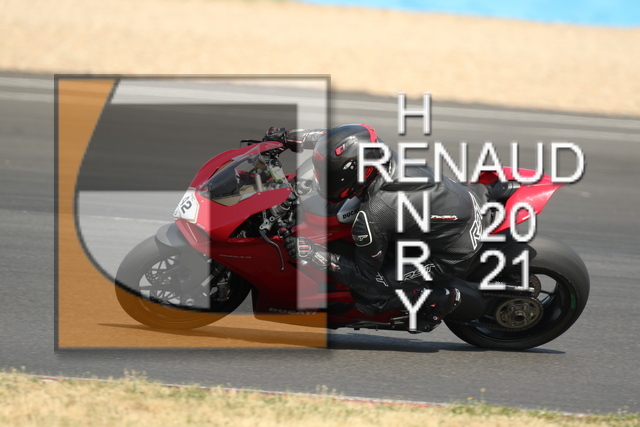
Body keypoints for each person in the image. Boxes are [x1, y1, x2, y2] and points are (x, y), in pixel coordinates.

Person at [264, 125, 490, 331]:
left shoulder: (375, 213)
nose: (319, 177)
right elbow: (331, 141)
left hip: (452, 251)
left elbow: (363, 276)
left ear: (350, 174)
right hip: (454, 206)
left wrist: (311, 253)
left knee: (371, 292)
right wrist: (286, 137)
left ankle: (438, 298)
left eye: (327, 174)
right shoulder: (371, 151)